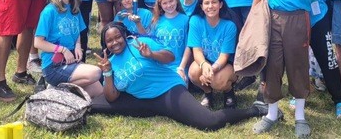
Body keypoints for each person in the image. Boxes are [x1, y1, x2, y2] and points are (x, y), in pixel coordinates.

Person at [91, 22, 267, 130]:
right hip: (142, 100)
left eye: (117, 37)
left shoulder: (140, 44)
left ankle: (255, 110)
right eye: (109, 40)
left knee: (209, 122)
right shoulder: (110, 62)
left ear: (124, 35)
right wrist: (107, 72)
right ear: (104, 44)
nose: (115, 42)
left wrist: (151, 54)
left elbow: (170, 57)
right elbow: (112, 97)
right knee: (92, 106)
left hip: (168, 91)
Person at [251, 0, 320, 137]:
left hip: (297, 18)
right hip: (274, 17)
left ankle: (300, 116)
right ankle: (271, 114)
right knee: (272, 63)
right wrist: (253, 14)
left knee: (297, 63)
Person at [34, 0, 103, 97]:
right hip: (54, 65)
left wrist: (77, 45)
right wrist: (63, 50)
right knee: (95, 73)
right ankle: (55, 89)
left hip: (70, 61)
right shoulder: (49, 11)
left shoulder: (74, 8)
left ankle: (63, 97)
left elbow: (77, 32)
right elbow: (38, 42)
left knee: (98, 90)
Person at [187, 0, 239, 109]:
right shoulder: (195, 21)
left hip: (225, 64)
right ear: (201, 6)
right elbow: (197, 51)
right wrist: (204, 65)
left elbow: (224, 56)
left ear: (220, 4)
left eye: (214, 2)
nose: (210, 6)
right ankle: (208, 93)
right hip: (206, 60)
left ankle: (228, 91)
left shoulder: (229, 25)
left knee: (218, 81)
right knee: (193, 72)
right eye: (206, 3)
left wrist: (211, 71)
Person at [151, 0, 190, 79]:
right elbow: (153, 45)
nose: (168, 5)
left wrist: (181, 68)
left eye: (171, 1)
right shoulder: (156, 21)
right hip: (160, 66)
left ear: (176, 0)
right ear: (160, 5)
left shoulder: (185, 20)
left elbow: (188, 46)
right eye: (164, 3)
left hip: (178, 65)